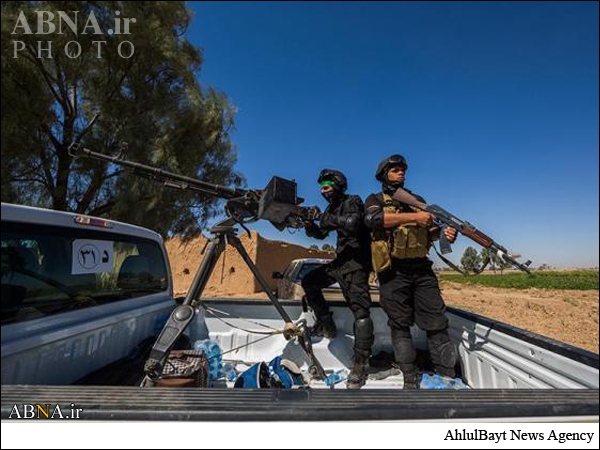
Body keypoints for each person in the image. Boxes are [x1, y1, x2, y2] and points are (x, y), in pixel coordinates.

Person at [364, 154, 458, 389]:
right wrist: (416, 216)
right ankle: (409, 377)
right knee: (399, 324)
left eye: (403, 169)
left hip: (421, 269)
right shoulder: (375, 199)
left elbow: (429, 232)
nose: (401, 172)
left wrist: (444, 234)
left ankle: (446, 376)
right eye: (395, 169)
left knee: (436, 321)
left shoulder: (417, 200)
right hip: (393, 270)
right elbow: (373, 220)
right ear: (384, 174)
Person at [302, 169, 374, 389]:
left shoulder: (353, 201)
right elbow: (320, 234)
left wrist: (321, 217)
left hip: (356, 264)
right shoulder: (330, 208)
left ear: (339, 184)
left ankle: (360, 365)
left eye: (326, 182)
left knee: (360, 313)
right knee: (309, 281)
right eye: (321, 184)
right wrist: (307, 222)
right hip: (340, 263)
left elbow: (352, 224)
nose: (322, 187)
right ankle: (327, 325)